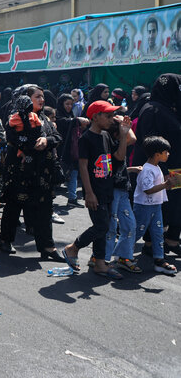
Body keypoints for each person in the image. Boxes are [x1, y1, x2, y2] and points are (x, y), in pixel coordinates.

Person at [62, 101, 131, 279]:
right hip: (94, 190)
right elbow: (83, 167)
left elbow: (119, 158)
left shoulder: (106, 136)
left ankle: (100, 264)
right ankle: (73, 248)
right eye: (107, 116)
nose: (110, 119)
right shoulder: (86, 139)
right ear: (95, 117)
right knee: (102, 225)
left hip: (107, 188)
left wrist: (123, 136)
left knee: (104, 227)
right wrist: (89, 193)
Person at [0, 85, 63, 261]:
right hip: (20, 172)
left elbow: (57, 137)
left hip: (42, 173)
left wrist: (46, 140)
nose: (42, 100)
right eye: (37, 97)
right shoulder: (15, 118)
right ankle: (5, 240)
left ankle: (47, 247)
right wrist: (33, 144)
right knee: (13, 207)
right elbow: (12, 139)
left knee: (44, 209)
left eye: (42, 97)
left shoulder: (44, 119)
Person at [135, 74, 181, 257]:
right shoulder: (152, 109)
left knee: (176, 205)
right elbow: (150, 143)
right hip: (160, 170)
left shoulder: (170, 109)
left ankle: (171, 240)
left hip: (175, 169)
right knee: (156, 205)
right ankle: (150, 244)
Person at [133, 136, 176, 275]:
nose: (168, 154)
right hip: (144, 206)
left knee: (158, 233)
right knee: (136, 232)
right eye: (166, 152)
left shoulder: (156, 167)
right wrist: (164, 185)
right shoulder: (147, 169)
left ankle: (159, 260)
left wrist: (167, 185)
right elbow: (148, 189)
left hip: (156, 206)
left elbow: (157, 187)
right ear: (157, 154)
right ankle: (123, 256)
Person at [104, 115, 140, 273]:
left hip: (123, 188)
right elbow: (119, 156)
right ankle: (101, 259)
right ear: (116, 134)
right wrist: (123, 130)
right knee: (110, 226)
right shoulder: (109, 143)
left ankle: (124, 257)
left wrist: (123, 125)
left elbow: (133, 137)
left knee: (130, 225)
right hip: (111, 189)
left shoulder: (122, 139)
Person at [56, 93, 90, 207]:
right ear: (61, 104)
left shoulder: (70, 115)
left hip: (72, 150)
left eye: (71, 104)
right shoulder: (58, 116)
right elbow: (63, 122)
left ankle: (72, 198)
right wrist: (76, 120)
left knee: (74, 173)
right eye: (67, 104)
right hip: (62, 149)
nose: (69, 106)